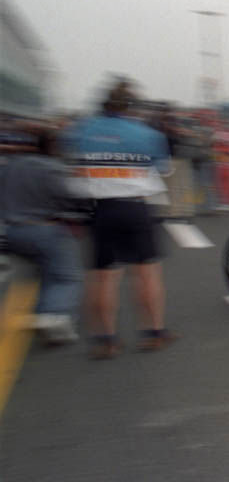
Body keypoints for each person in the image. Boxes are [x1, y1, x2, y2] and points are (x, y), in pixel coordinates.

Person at [64, 85, 176, 358]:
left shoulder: (81, 131)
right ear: (130, 108)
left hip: (100, 210)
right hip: (136, 208)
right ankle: (154, 333)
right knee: (146, 274)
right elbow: (165, 169)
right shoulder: (148, 135)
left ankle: (105, 340)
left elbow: (73, 171)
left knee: (102, 278)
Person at [0, 128, 84, 344]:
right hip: (44, 230)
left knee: (47, 271)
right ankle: (54, 315)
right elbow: (69, 199)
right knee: (67, 277)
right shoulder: (54, 169)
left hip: (11, 231)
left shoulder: (10, 167)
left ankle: (43, 313)